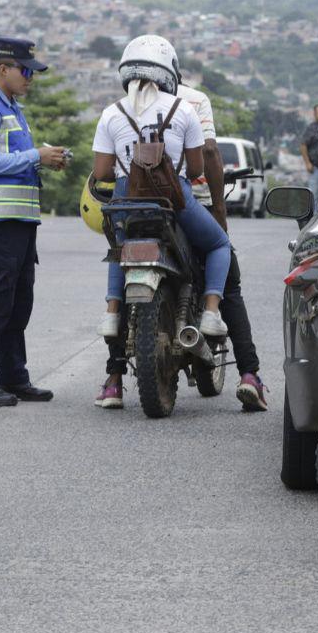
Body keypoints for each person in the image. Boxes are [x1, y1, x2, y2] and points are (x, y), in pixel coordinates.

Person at [91, 35, 233, 408]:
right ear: (169, 73)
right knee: (218, 244)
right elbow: (199, 167)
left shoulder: (111, 113)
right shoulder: (183, 109)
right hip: (174, 200)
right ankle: (212, 314)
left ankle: (110, 314)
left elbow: (102, 171)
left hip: (126, 201)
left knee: (120, 251)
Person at [0, 38, 68, 407]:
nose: (30, 78)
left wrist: (44, 161)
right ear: (2, 69)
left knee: (18, 303)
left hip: (20, 221)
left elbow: (16, 160)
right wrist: (36, 154)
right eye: (25, 71)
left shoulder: (13, 110)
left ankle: (13, 376)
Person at [177, 79, 267, 412]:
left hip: (141, 208)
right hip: (192, 203)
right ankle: (249, 376)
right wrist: (218, 206)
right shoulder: (194, 100)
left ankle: (114, 377)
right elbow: (210, 151)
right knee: (229, 283)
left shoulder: (127, 102)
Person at [299, 103, 318, 210]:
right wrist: (307, 163)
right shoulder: (311, 128)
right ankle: (314, 218)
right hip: (317, 167)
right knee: (315, 195)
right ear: (315, 114)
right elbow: (303, 145)